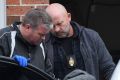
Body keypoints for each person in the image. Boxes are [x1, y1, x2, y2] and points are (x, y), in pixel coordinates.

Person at [45, 3, 115, 80]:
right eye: (52, 26)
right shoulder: (44, 43)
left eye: (59, 23)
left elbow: (109, 68)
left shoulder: (91, 37)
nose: (56, 29)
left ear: (69, 17)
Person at [0, 8, 53, 80]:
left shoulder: (41, 44)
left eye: (45, 35)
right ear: (28, 27)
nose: (44, 38)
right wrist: (10, 65)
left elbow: (48, 74)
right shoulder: (4, 37)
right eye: (41, 34)